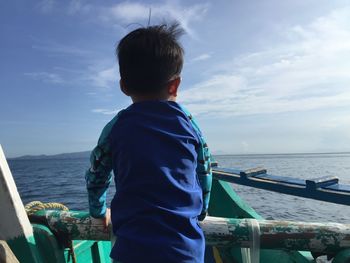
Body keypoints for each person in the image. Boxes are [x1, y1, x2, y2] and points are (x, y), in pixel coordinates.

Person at [85, 22, 212, 263]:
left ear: (123, 86)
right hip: (185, 251)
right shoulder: (189, 124)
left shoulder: (115, 128)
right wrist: (202, 211)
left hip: (132, 252)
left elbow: (96, 175)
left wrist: (98, 212)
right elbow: (204, 171)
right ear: (175, 84)